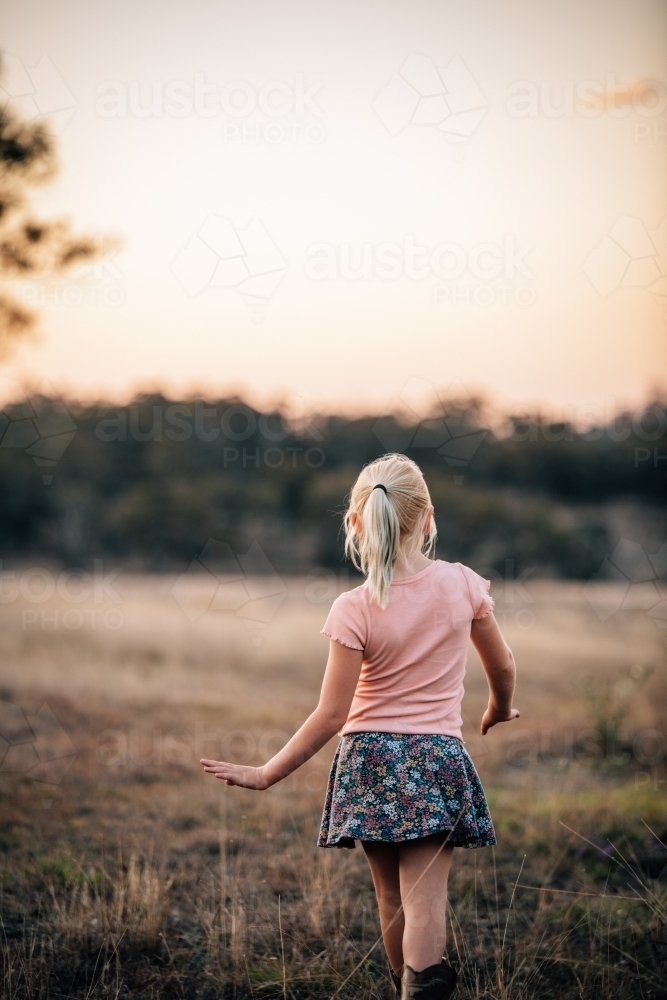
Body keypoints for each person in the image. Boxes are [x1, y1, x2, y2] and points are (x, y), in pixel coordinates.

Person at [201, 454, 519, 1000]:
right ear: (428, 518)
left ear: (356, 522)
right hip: (434, 760)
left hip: (368, 761)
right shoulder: (463, 584)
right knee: (426, 900)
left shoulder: (354, 606)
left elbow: (331, 713)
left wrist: (267, 772)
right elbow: (503, 664)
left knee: (391, 899)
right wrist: (497, 707)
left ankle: (405, 990)